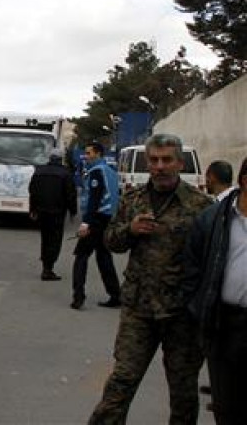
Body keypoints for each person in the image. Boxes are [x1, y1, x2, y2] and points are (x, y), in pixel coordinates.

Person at [88, 133, 214, 424]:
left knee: (183, 392)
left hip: (181, 315)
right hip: (139, 310)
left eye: (166, 160)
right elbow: (110, 241)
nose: (159, 166)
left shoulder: (201, 207)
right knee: (121, 382)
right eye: (154, 160)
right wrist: (129, 230)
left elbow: (211, 260)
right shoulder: (133, 200)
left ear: (180, 163)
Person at [183, 157, 247, 425]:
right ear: (245, 180)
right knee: (226, 407)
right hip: (225, 325)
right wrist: (197, 311)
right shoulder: (213, 219)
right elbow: (191, 268)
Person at [71, 142, 122, 309]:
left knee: (81, 256)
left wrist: (86, 222)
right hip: (108, 218)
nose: (86, 156)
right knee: (104, 256)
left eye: (89, 153)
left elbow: (94, 198)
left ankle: (79, 296)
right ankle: (115, 295)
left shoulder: (96, 172)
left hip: (96, 219)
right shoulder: (111, 172)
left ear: (98, 154)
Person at [28, 148, 77, 281]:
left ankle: (45, 265)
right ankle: (48, 269)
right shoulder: (65, 173)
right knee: (55, 240)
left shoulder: (39, 171)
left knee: (45, 239)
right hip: (57, 212)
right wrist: (73, 211)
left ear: (49, 158)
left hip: (42, 212)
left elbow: (32, 192)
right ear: (60, 159)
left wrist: (33, 210)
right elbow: (70, 194)